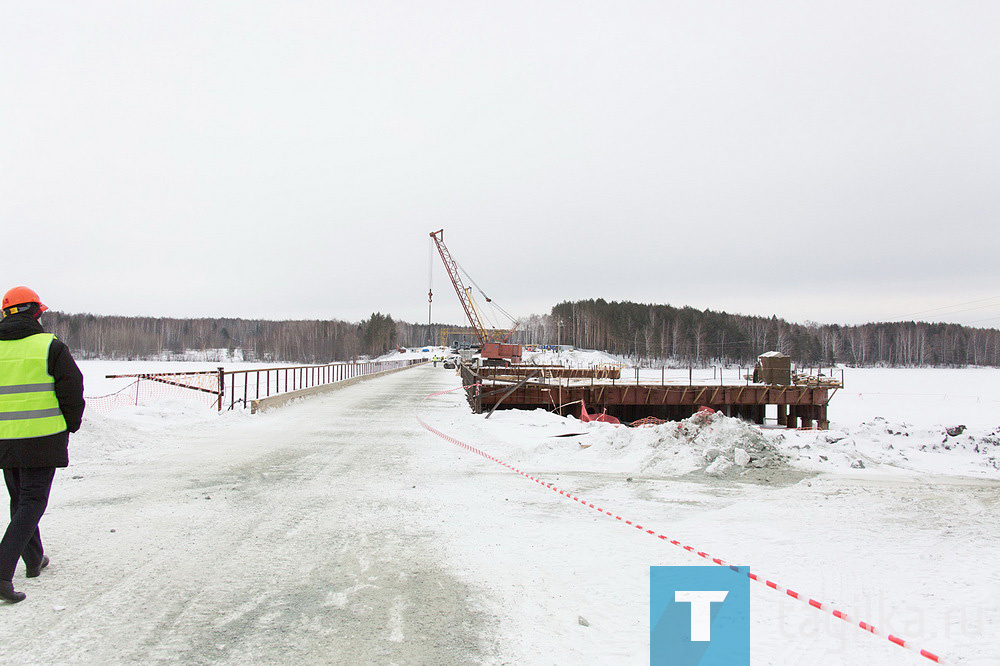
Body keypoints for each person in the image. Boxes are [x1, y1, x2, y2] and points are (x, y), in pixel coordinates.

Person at [0, 287, 84, 603]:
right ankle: (2, 572)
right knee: (32, 500)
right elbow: (72, 390)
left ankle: (34, 559)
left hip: (5, 439)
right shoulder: (50, 347)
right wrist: (71, 425)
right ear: (36, 312)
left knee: (19, 499)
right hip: (42, 437)